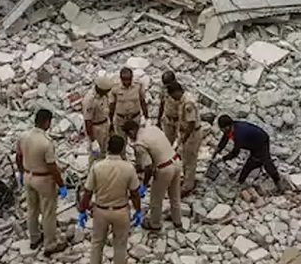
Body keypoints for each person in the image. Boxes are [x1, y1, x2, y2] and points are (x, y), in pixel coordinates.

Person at [78, 135, 143, 264]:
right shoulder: (128, 168)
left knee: (97, 244)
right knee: (120, 246)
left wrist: (82, 209)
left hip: (101, 211)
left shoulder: (97, 167)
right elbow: (135, 193)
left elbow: (88, 192)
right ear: (122, 149)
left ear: (107, 147)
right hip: (121, 211)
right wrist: (138, 210)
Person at [15, 108, 67, 256]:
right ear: (46, 122)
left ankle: (34, 238)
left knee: (32, 210)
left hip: (28, 176)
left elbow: (18, 156)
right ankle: (50, 244)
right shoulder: (46, 142)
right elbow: (51, 166)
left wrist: (21, 172)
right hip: (43, 180)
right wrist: (61, 185)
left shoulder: (23, 136)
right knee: (48, 212)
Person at [122, 120, 182, 232]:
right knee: (175, 195)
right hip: (176, 161)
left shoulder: (140, 144)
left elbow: (148, 167)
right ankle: (177, 220)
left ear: (131, 132)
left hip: (164, 169)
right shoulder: (152, 128)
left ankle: (155, 224)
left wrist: (144, 185)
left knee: (156, 199)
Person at [214, 115, 284, 192]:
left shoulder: (239, 135)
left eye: (222, 129)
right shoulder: (233, 127)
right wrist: (216, 151)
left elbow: (235, 153)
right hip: (253, 143)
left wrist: (223, 159)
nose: (222, 131)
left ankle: (279, 185)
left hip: (261, 142)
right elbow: (224, 139)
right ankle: (240, 182)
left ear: (227, 127)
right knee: (249, 165)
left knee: (265, 162)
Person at [166, 82, 202, 195]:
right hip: (186, 132)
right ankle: (187, 179)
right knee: (185, 159)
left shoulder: (188, 103)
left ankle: (188, 186)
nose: (173, 99)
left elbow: (191, 123)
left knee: (190, 160)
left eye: (173, 96)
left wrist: (184, 138)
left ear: (177, 92)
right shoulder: (183, 100)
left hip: (192, 134)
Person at [110, 68, 148, 135]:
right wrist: (110, 121)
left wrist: (146, 116)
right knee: (121, 140)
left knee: (136, 140)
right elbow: (112, 105)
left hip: (135, 118)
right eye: (124, 80)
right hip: (121, 119)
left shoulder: (138, 85)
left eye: (128, 79)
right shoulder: (115, 87)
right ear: (121, 78)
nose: (126, 82)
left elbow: (142, 101)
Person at [84, 74, 113, 163]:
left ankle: (102, 168)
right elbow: (88, 120)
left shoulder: (104, 96)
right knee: (95, 153)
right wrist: (93, 139)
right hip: (96, 129)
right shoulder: (90, 100)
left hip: (105, 124)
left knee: (104, 150)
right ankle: (93, 170)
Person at [158, 71, 183, 144]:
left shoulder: (179, 92)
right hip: (168, 120)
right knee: (168, 141)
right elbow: (162, 104)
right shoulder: (164, 90)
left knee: (179, 143)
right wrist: (158, 120)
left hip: (178, 121)